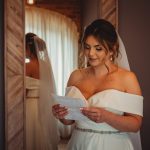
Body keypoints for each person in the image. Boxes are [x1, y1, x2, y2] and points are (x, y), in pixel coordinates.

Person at [52, 19, 143, 150]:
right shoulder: (75, 76)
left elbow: (135, 125)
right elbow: (69, 121)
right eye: (87, 47)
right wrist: (61, 115)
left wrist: (107, 117)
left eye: (98, 48)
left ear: (112, 50)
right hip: (79, 143)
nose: (91, 54)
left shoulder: (127, 78)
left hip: (112, 144)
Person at [25, 33, 59, 150]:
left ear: (28, 48)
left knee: (31, 133)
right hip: (45, 104)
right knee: (42, 132)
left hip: (30, 104)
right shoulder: (46, 66)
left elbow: (22, 91)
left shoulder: (26, 66)